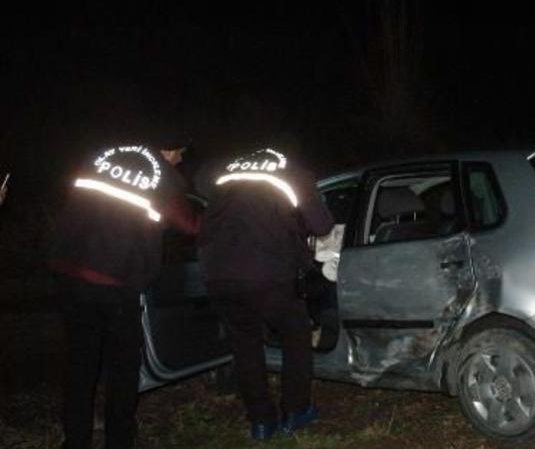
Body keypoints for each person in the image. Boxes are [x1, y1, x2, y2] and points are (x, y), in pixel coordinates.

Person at [49, 135, 198, 449]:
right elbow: (188, 225)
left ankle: (75, 441)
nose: (180, 160)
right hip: (116, 283)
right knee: (123, 369)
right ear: (168, 149)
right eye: (179, 154)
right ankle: (118, 440)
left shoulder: (101, 153)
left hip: (71, 271)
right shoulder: (163, 173)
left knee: (79, 366)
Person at [198, 146, 333, 441]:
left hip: (218, 274)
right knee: (296, 335)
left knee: (245, 347)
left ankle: (261, 422)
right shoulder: (293, 174)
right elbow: (322, 225)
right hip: (269, 274)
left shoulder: (224, 178)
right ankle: (296, 411)